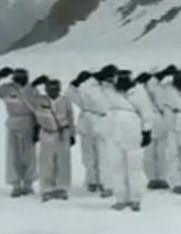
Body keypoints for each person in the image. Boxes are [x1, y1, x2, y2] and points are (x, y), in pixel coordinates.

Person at [104, 69, 156, 211]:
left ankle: (135, 198)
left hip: (132, 131)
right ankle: (120, 198)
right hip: (113, 131)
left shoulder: (138, 92)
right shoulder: (109, 91)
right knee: (116, 166)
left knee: (134, 167)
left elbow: (146, 112)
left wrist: (147, 131)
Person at [19, 76, 76, 202]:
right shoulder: (38, 101)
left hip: (63, 133)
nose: (53, 92)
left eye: (56, 89)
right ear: (46, 89)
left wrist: (72, 134)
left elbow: (70, 117)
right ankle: (47, 189)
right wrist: (33, 84)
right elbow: (24, 95)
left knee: (63, 163)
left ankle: (62, 188)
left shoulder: (65, 101)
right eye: (50, 89)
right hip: (46, 133)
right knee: (46, 163)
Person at [0, 67, 38, 198]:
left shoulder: (33, 90)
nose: (21, 78)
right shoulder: (7, 89)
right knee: (13, 155)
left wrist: (38, 127)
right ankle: (16, 185)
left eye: (23, 75)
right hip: (13, 122)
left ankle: (28, 183)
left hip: (29, 123)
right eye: (18, 76)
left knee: (29, 156)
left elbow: (38, 108)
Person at [65, 66, 118, 197]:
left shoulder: (112, 87)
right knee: (88, 155)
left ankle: (106, 183)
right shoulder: (87, 84)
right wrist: (74, 83)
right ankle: (91, 181)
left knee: (104, 155)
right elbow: (71, 95)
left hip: (103, 119)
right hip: (87, 119)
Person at [139, 71, 170, 190]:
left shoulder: (139, 90)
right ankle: (160, 177)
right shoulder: (159, 89)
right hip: (159, 119)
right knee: (160, 152)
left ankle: (152, 178)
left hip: (149, 120)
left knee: (150, 152)